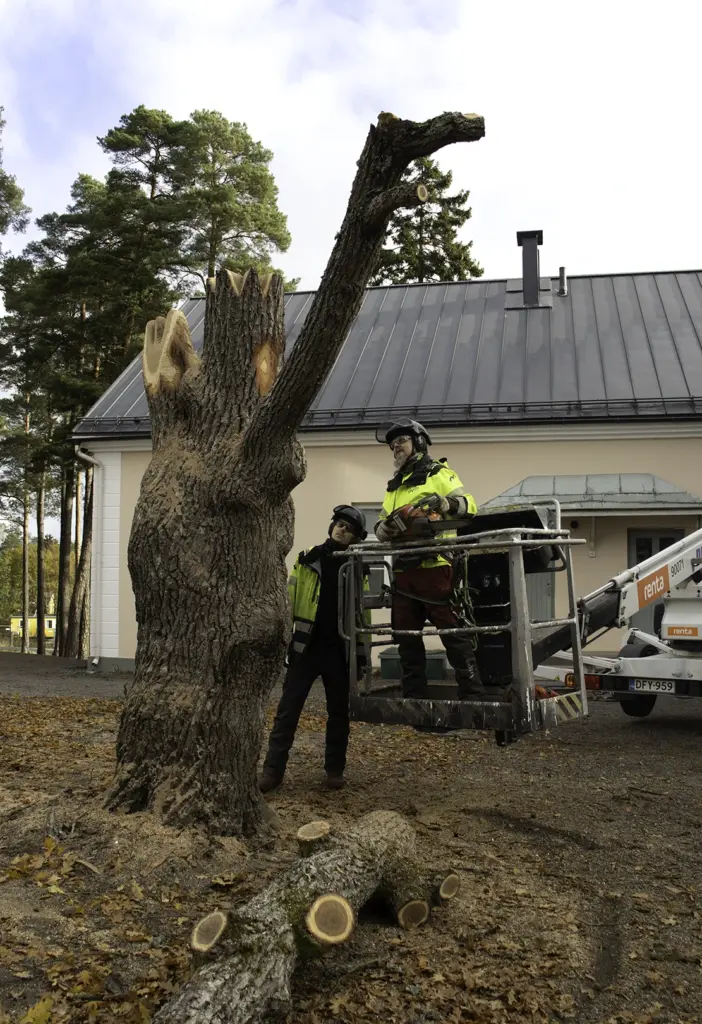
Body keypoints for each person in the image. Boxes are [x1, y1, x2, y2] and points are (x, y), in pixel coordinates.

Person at [259, 504, 370, 794]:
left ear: (356, 538)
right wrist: (285, 639)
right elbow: (289, 600)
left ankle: (334, 771)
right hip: (306, 649)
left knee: (338, 713)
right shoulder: (308, 559)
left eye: (348, 528)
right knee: (287, 711)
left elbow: (362, 615)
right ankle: (272, 771)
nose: (341, 528)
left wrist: (361, 654)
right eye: (339, 523)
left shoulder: (357, 567)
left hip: (339, 652)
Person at [374, 418, 486, 700]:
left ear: (419, 441)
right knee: (406, 638)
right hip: (403, 571)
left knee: (452, 633)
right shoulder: (394, 487)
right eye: (392, 444)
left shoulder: (440, 473)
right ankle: (414, 696)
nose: (395, 447)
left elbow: (470, 507)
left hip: (435, 567)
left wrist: (445, 503)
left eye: (401, 440)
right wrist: (384, 528)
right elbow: (380, 526)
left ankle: (472, 694)